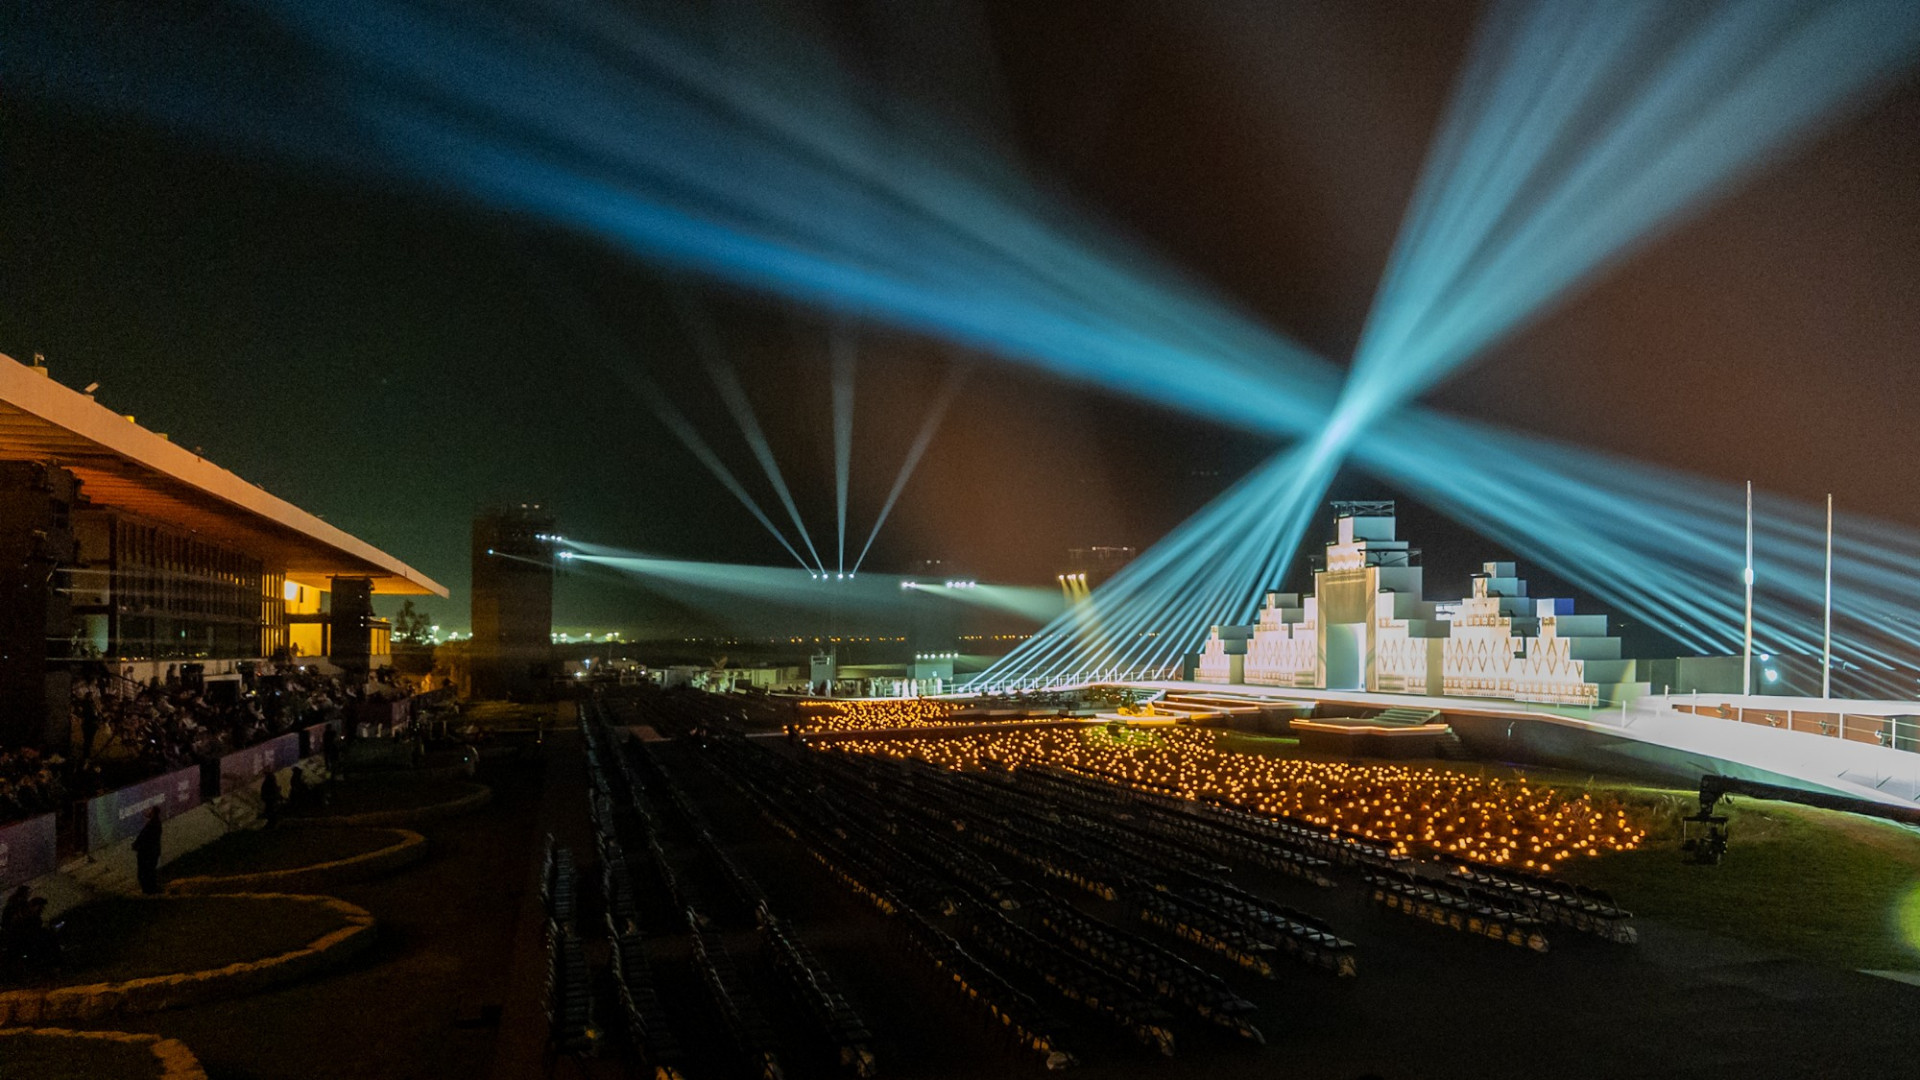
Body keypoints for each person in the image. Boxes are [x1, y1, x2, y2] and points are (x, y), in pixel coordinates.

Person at [133, 807, 164, 895]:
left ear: (153, 813)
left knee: (146, 871)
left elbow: (144, 837)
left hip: (147, 853)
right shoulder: (156, 823)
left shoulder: (152, 825)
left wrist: (137, 845)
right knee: (150, 871)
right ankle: (151, 888)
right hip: (152, 852)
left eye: (150, 811)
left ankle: (148, 889)